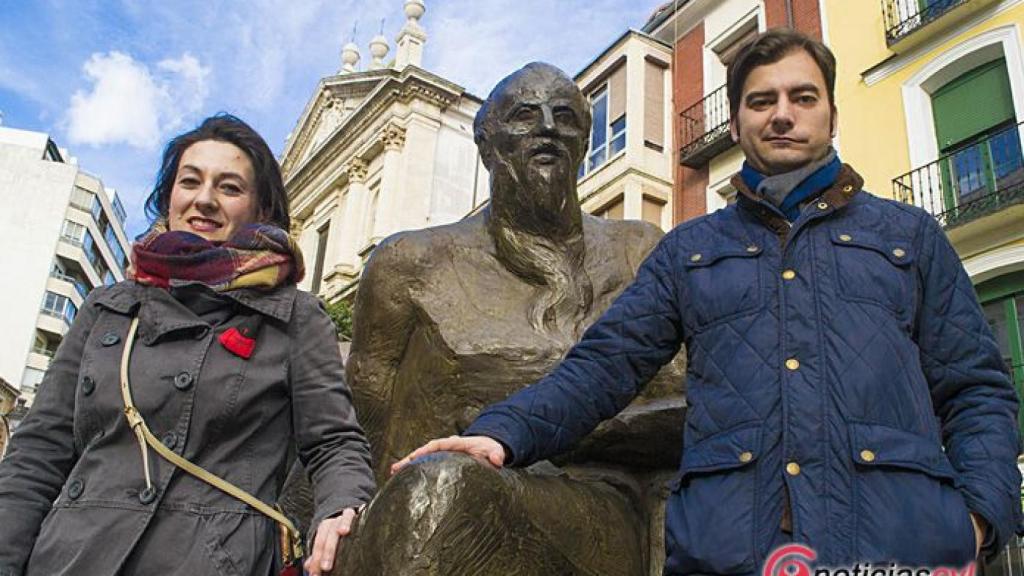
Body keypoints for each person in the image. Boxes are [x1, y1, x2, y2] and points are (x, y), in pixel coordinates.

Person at [396, 29, 1022, 573]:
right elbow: (603, 366)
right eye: (761, 101)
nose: (783, 114)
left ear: (832, 114)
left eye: (803, 98)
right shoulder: (688, 250)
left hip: (898, 549)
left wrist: (977, 519)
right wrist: (501, 435)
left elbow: (975, 390)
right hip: (733, 552)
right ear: (738, 120)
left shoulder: (909, 237)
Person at [316, 62, 685, 575]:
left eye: (566, 117)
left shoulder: (637, 251)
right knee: (434, 492)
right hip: (423, 506)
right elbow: (362, 426)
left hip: (602, 507)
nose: (548, 129)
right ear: (486, 145)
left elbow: (688, 407)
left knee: (442, 490)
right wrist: (339, 509)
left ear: (583, 144)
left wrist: (556, 431)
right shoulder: (408, 263)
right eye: (525, 116)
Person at [0, 114, 375, 576]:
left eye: (230, 187)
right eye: (190, 181)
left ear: (260, 209)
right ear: (169, 197)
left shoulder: (295, 315)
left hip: (214, 560)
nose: (204, 199)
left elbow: (333, 441)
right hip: (72, 557)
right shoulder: (108, 307)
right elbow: (38, 453)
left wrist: (342, 507)